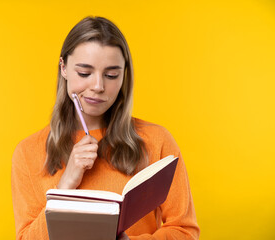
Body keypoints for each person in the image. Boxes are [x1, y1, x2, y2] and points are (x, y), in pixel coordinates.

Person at [11, 16, 200, 240]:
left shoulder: (157, 140)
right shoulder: (27, 153)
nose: (98, 86)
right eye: (84, 73)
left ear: (124, 75)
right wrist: (64, 188)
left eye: (111, 75)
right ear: (63, 68)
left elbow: (185, 231)